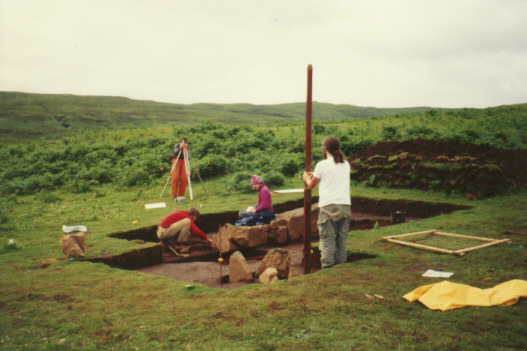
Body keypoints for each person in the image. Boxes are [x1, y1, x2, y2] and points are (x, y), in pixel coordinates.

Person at [303, 136, 351, 268]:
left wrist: (307, 178)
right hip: (345, 206)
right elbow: (332, 174)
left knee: (327, 240)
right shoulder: (346, 164)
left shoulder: (321, 165)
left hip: (328, 207)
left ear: (325, 149)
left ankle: (327, 268)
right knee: (341, 241)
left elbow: (311, 185)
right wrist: (317, 174)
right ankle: (341, 267)